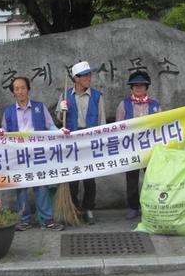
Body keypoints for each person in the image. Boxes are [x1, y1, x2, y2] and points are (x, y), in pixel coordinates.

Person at [1, 76, 69, 231]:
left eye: (23, 87)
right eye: (16, 89)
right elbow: (5, 131)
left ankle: (47, 219)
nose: (20, 91)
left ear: (28, 89)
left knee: (42, 186)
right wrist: (0, 132)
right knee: (21, 187)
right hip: (18, 155)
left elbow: (50, 126)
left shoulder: (39, 107)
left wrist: (59, 132)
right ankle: (24, 219)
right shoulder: (9, 112)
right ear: (13, 93)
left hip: (38, 153)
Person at [56, 60, 105, 225]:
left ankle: (88, 208)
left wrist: (101, 140)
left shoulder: (97, 96)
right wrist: (61, 110)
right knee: (73, 178)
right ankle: (74, 208)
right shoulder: (65, 96)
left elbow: (102, 121)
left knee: (90, 178)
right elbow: (58, 118)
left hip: (90, 140)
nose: (88, 78)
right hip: (72, 141)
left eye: (89, 74)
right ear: (76, 78)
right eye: (84, 75)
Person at [115, 69, 161, 219]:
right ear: (131, 87)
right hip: (131, 149)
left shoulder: (155, 106)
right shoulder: (124, 105)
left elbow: (162, 126)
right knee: (132, 179)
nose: (139, 88)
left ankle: (151, 205)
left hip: (151, 149)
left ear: (146, 87)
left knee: (152, 178)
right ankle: (133, 206)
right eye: (135, 86)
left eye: (142, 85)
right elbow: (117, 127)